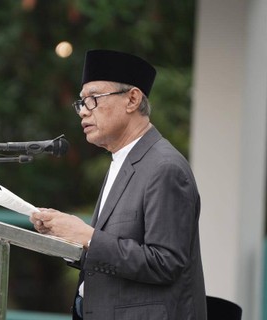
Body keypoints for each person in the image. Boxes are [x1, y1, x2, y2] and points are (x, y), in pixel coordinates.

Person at [30, 49, 207, 320]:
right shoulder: (123, 160)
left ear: (132, 99)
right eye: (81, 102)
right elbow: (114, 253)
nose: (83, 112)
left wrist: (87, 236)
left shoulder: (165, 167)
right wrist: (67, 237)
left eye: (93, 99)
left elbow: (165, 263)